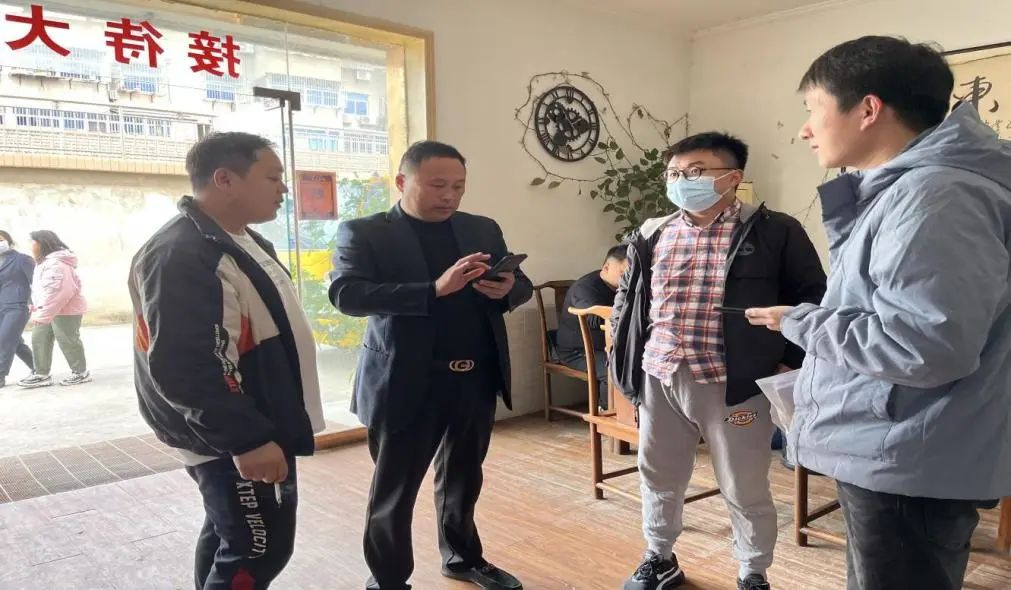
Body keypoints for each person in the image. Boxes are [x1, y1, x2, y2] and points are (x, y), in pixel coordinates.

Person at [746, 36, 1011, 590]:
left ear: (868, 109)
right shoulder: (919, 189)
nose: (805, 130)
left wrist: (801, 322)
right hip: (906, 445)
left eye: (813, 108)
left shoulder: (936, 195)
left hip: (906, 455)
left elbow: (924, 347)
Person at [609, 132, 826, 590]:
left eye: (695, 171)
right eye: (673, 173)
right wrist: (622, 354)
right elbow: (628, 299)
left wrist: (789, 359)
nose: (681, 181)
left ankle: (752, 571)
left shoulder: (775, 231)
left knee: (744, 483)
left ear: (732, 177)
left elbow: (812, 298)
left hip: (736, 381)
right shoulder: (652, 232)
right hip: (661, 373)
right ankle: (659, 556)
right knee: (659, 473)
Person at [330, 140, 532, 590]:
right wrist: (433, 289)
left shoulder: (481, 228)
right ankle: (388, 580)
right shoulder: (365, 232)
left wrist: (509, 289)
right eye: (438, 185)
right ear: (402, 181)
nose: (449, 196)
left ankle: (462, 558)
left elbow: (521, 283)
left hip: (475, 377)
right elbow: (347, 294)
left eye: (459, 186)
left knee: (464, 479)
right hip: (405, 381)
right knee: (394, 491)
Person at [129, 132, 325, 589]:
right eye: (272, 177)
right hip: (231, 431)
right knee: (258, 548)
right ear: (225, 179)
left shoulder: (240, 239)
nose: (283, 188)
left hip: (254, 420)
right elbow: (186, 363)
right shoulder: (183, 253)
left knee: (230, 535)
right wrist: (246, 439)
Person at [555, 245, 629, 409]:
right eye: (623, 273)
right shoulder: (584, 288)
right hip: (578, 351)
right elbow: (594, 319)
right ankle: (608, 412)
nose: (628, 279)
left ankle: (635, 417)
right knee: (615, 370)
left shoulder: (622, 288)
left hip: (610, 348)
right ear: (606, 267)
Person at [17, 230, 89, 388]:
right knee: (39, 339)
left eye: (33, 242)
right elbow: (42, 290)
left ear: (42, 243)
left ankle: (80, 372)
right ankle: (41, 374)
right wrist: (36, 306)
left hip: (65, 310)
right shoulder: (44, 262)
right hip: (47, 310)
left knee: (67, 340)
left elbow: (60, 293)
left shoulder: (57, 263)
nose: (30, 246)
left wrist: (43, 315)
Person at [0, 230, 34, 388]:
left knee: (4, 340)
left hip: (18, 306)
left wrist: (34, 303)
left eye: (0, 240)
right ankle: (39, 368)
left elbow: (37, 283)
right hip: (1, 306)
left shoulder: (23, 259)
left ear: (9, 241)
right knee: (15, 341)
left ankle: (1, 375)